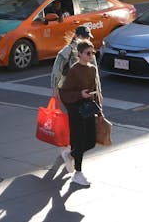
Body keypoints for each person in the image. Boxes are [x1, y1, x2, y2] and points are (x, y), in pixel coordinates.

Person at [59, 40, 101, 186]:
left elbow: (95, 89)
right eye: (88, 53)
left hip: (88, 107)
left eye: (93, 52)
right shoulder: (74, 70)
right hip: (75, 108)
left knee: (91, 141)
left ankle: (69, 155)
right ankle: (78, 173)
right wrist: (80, 94)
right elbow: (64, 93)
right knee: (80, 140)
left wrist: (99, 109)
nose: (91, 55)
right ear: (80, 54)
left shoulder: (92, 69)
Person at [50, 25, 102, 102]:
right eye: (83, 37)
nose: (86, 39)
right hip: (70, 90)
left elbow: (95, 74)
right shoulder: (67, 51)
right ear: (76, 36)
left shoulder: (90, 51)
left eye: (88, 37)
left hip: (86, 90)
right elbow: (57, 70)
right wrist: (55, 89)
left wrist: (99, 92)